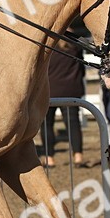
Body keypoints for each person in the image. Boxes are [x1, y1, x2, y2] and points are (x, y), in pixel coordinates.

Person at [41, 37, 86, 167]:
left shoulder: (47, 45)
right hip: (71, 90)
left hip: (49, 90)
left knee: (47, 125)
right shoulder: (75, 45)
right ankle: (78, 156)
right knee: (73, 124)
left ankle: (49, 158)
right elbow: (81, 68)